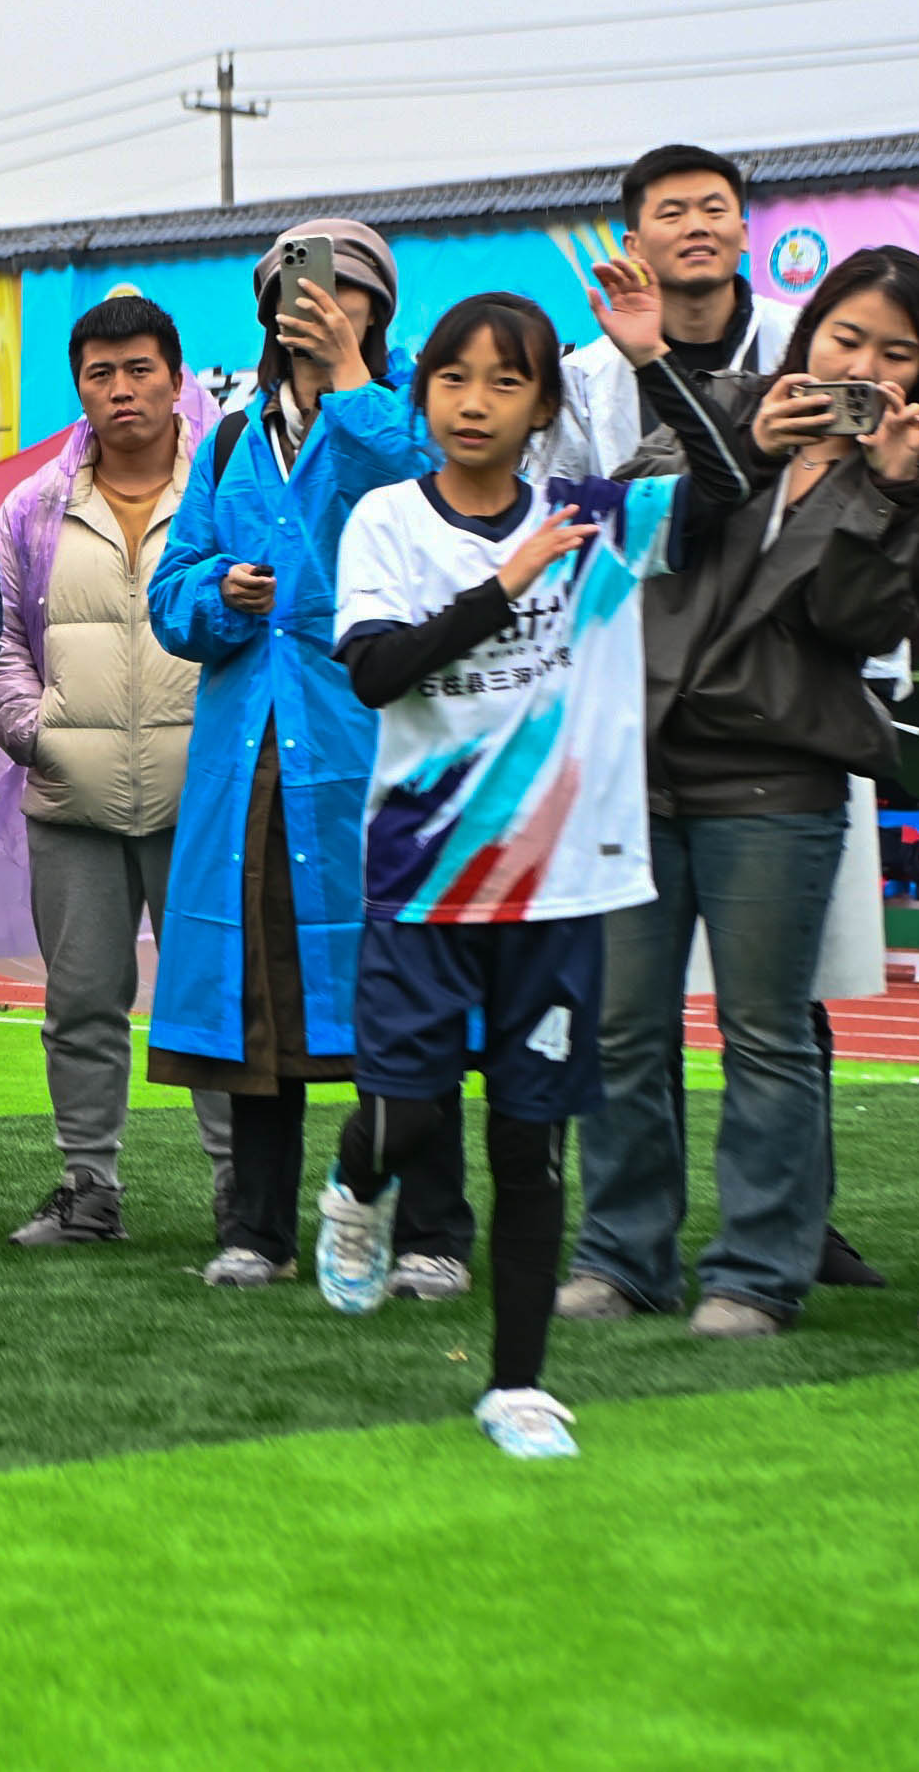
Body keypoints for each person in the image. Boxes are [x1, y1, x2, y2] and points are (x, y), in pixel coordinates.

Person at [313, 272, 751, 1459]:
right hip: (421, 879)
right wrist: (502, 586)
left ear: (543, 407)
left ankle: (516, 1386)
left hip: (557, 889)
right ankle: (357, 1190)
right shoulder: (386, 524)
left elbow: (725, 488)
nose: (474, 401)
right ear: (420, 395)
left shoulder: (594, 521)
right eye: (453, 377)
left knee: (525, 1139)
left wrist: (652, 358)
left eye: (507, 382)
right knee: (404, 1118)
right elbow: (374, 671)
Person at [563, 246, 919, 1336]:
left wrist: (881, 486)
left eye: (895, 352)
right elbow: (628, 530)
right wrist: (739, 440)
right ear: (806, 334)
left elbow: (850, 620)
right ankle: (620, 1257)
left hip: (777, 779)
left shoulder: (914, 478)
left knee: (766, 1032)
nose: (862, 364)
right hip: (640, 763)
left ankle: (755, 1273)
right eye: (845, 337)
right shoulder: (722, 402)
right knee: (621, 1031)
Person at [146, 221, 474, 1292]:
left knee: (404, 993)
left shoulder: (407, 416)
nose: (318, 304)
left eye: (346, 292)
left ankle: (430, 1229)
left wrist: (346, 376)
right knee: (261, 995)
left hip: (371, 748)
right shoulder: (230, 439)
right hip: (246, 755)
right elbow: (171, 592)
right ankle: (256, 1227)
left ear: (376, 308)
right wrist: (218, 598)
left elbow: (428, 516)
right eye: (299, 289)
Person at [0, 294, 237, 1246]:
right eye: (100, 373)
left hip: (204, 799)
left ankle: (240, 1197)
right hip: (71, 797)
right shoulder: (34, 506)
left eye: (140, 370)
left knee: (213, 1004)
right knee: (80, 1004)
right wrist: (34, 729)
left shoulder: (229, 485)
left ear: (178, 377)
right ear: (78, 387)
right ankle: (89, 1189)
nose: (122, 390)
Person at [530, 144, 797, 486]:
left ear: (744, 234)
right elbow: (556, 504)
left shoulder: (801, 340)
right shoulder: (583, 379)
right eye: (672, 214)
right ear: (633, 246)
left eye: (714, 210)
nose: (697, 227)